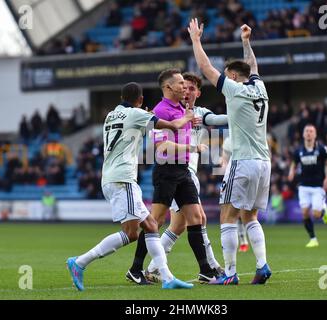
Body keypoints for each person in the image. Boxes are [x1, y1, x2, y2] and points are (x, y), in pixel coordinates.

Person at [66, 82, 194, 290]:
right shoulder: (136, 114)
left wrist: (146, 115)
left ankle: (168, 278)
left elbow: (136, 128)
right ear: (140, 100)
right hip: (122, 178)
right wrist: (187, 118)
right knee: (131, 232)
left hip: (111, 176)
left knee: (151, 226)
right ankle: (79, 262)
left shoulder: (111, 115)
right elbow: (172, 126)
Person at [188, 20, 272, 285]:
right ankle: (262, 266)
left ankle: (231, 273)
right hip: (264, 163)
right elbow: (254, 67)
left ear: (233, 76)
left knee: (227, 215)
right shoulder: (260, 88)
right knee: (250, 216)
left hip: (243, 161)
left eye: (227, 74)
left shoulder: (234, 89)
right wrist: (246, 41)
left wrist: (196, 40)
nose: (224, 77)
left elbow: (205, 68)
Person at [126, 68, 219, 285]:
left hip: (183, 170)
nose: (184, 87)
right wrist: (192, 146)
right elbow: (162, 145)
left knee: (196, 218)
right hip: (166, 171)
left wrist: (190, 123)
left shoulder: (182, 109)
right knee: (154, 222)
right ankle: (136, 268)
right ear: (168, 87)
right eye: (179, 84)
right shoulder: (161, 111)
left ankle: (206, 270)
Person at [288, 124, 327, 248]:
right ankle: (313, 238)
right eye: (306, 131)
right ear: (303, 134)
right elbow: (294, 163)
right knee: (304, 213)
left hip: (318, 186)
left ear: (315, 134)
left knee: (316, 214)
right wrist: (291, 172)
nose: (309, 133)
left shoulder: (322, 149)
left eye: (311, 131)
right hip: (303, 186)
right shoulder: (299, 151)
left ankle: (323, 210)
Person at [222, 136, 249, 252]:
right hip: (232, 177)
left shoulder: (247, 136)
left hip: (247, 176)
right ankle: (242, 241)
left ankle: (243, 240)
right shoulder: (228, 141)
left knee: (245, 213)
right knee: (233, 211)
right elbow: (224, 160)